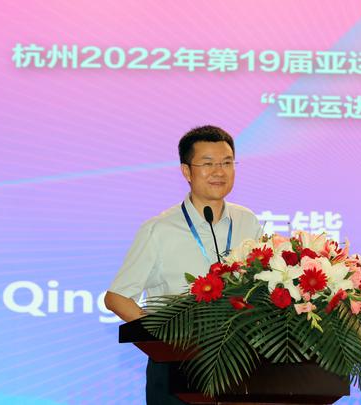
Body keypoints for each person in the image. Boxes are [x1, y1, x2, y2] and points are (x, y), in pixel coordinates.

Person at [105, 125, 262, 404]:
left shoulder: (247, 221)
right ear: (187, 171)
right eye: (208, 163)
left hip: (239, 365)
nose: (219, 172)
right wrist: (165, 339)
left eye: (227, 163)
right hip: (176, 368)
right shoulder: (159, 229)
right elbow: (116, 297)